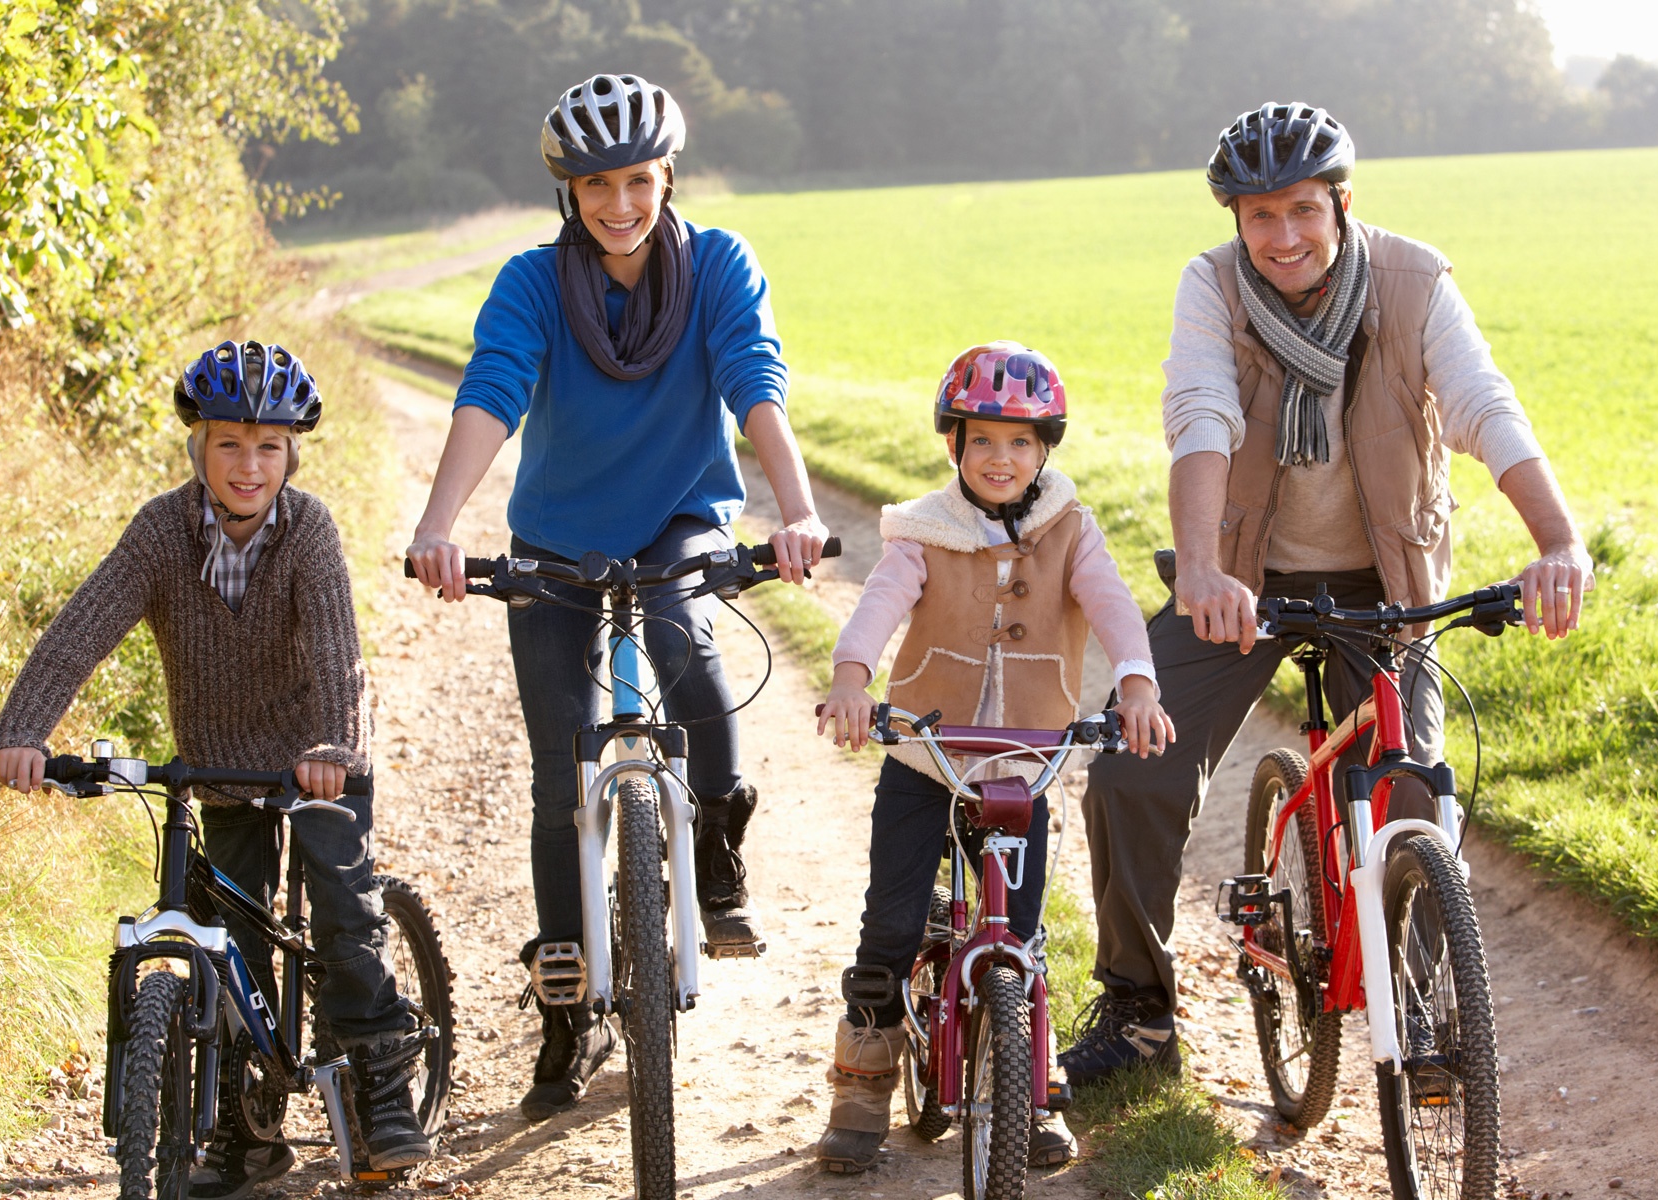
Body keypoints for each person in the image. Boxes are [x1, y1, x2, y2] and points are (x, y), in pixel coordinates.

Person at [1059, 101, 1596, 1086]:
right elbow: (1202, 418)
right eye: (1260, 217)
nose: (1285, 237)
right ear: (1236, 222)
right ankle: (1138, 1009)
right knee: (1133, 773)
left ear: (1343, 204)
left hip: (1382, 581)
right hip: (1241, 581)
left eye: (1303, 210)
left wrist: (1557, 539)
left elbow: (1482, 404)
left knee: (1410, 792)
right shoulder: (1211, 287)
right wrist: (1206, 570)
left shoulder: (1415, 279)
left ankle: (1426, 1006)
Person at [403, 72, 827, 1121]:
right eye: (597, 186)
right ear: (570, 194)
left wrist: (801, 510)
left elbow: (754, 380)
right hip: (556, 534)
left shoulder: (721, 263)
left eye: (637, 179)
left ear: (667, 175)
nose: (620, 203)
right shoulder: (533, 283)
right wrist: (438, 525)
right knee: (561, 768)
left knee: (688, 640)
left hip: (683, 512)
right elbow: (492, 391)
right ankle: (566, 1003)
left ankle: (717, 870)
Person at [0, 340, 430, 1197]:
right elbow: (83, 628)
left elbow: (338, 647)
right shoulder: (161, 532)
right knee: (224, 932)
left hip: (316, 758)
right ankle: (243, 1124)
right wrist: (24, 729)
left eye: (269, 447)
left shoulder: (309, 532)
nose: (248, 464)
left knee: (341, 907)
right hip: (220, 767)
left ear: (291, 455)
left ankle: (382, 1085)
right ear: (198, 447)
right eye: (228, 443)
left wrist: (333, 745)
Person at [813, 341, 1175, 1172]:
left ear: (1045, 448)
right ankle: (863, 1081)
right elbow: (878, 604)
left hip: (1022, 765)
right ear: (954, 447)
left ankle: (1031, 1079)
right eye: (981, 440)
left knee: (1023, 929)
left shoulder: (1071, 531)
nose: (1000, 458)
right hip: (925, 759)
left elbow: (1115, 607)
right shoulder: (923, 531)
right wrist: (851, 677)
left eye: (1019, 442)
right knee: (893, 924)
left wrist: (1137, 685)